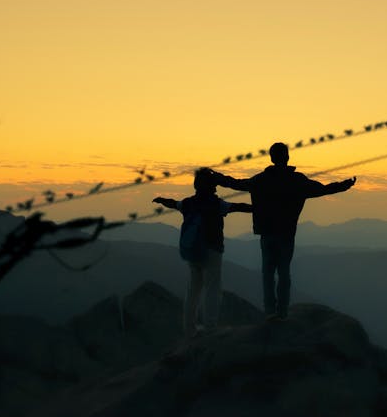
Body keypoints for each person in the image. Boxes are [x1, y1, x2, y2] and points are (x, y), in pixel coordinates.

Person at [212, 143, 356, 320]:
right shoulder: (297, 181)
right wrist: (343, 185)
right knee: (284, 273)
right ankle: (282, 313)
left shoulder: (260, 180)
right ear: (287, 157)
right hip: (286, 233)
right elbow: (323, 189)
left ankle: (270, 312)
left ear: (271, 158)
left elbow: (236, 184)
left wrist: (218, 178)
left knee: (267, 273)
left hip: (266, 232)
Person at [152, 167, 252, 339]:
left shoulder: (189, 203)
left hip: (192, 250)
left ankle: (189, 329)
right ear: (211, 186)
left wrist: (161, 200)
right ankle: (210, 328)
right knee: (212, 288)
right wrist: (262, 208)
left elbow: (174, 203)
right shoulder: (216, 204)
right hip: (212, 250)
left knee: (193, 289)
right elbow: (238, 207)